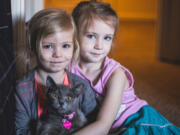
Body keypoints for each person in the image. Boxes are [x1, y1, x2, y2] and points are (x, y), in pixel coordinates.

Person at [69, 1, 180, 135]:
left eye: (107, 38)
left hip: (136, 121)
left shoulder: (115, 75)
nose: (99, 45)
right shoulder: (69, 67)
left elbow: (103, 126)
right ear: (73, 34)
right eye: (91, 36)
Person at [14, 8, 97, 135]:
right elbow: (20, 131)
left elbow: (95, 124)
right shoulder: (22, 91)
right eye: (48, 46)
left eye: (65, 46)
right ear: (33, 48)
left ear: (74, 47)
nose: (58, 54)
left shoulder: (81, 86)